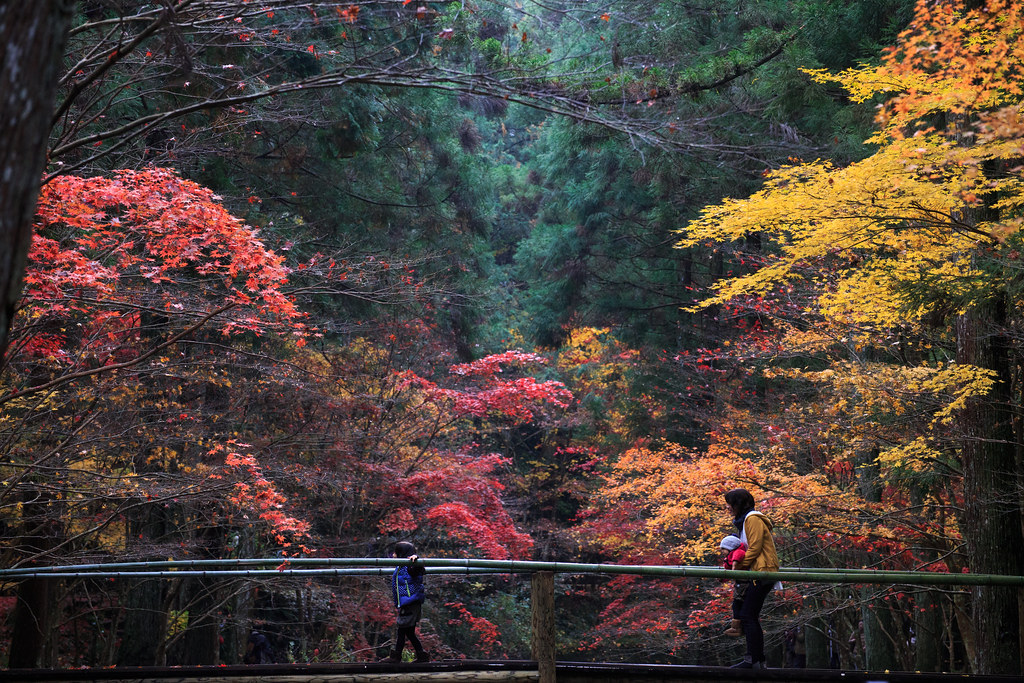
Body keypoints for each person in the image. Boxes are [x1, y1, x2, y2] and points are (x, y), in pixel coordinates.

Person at [724, 488, 779, 670]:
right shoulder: (744, 521)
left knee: (748, 615)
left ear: (738, 504)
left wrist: (739, 566)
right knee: (748, 615)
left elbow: (754, 548)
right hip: (756, 570)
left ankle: (753, 660)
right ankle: (756, 660)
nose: (728, 508)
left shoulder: (752, 518)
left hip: (762, 570)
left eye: (730, 504)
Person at [383, 541, 430, 663]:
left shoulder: (410, 565)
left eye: (396, 552)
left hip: (411, 603)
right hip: (408, 602)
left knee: (402, 630)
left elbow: (418, 569)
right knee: (408, 632)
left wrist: (417, 559)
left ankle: (396, 656)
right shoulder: (401, 566)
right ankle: (421, 655)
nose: (394, 555)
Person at [719, 534, 747, 637]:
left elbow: (737, 559)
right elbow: (730, 570)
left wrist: (734, 566)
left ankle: (739, 628)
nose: (722, 551)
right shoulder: (730, 556)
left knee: (739, 605)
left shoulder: (737, 552)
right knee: (736, 605)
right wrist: (723, 578)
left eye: (723, 549)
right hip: (739, 584)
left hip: (744, 584)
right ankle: (737, 627)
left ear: (730, 547)